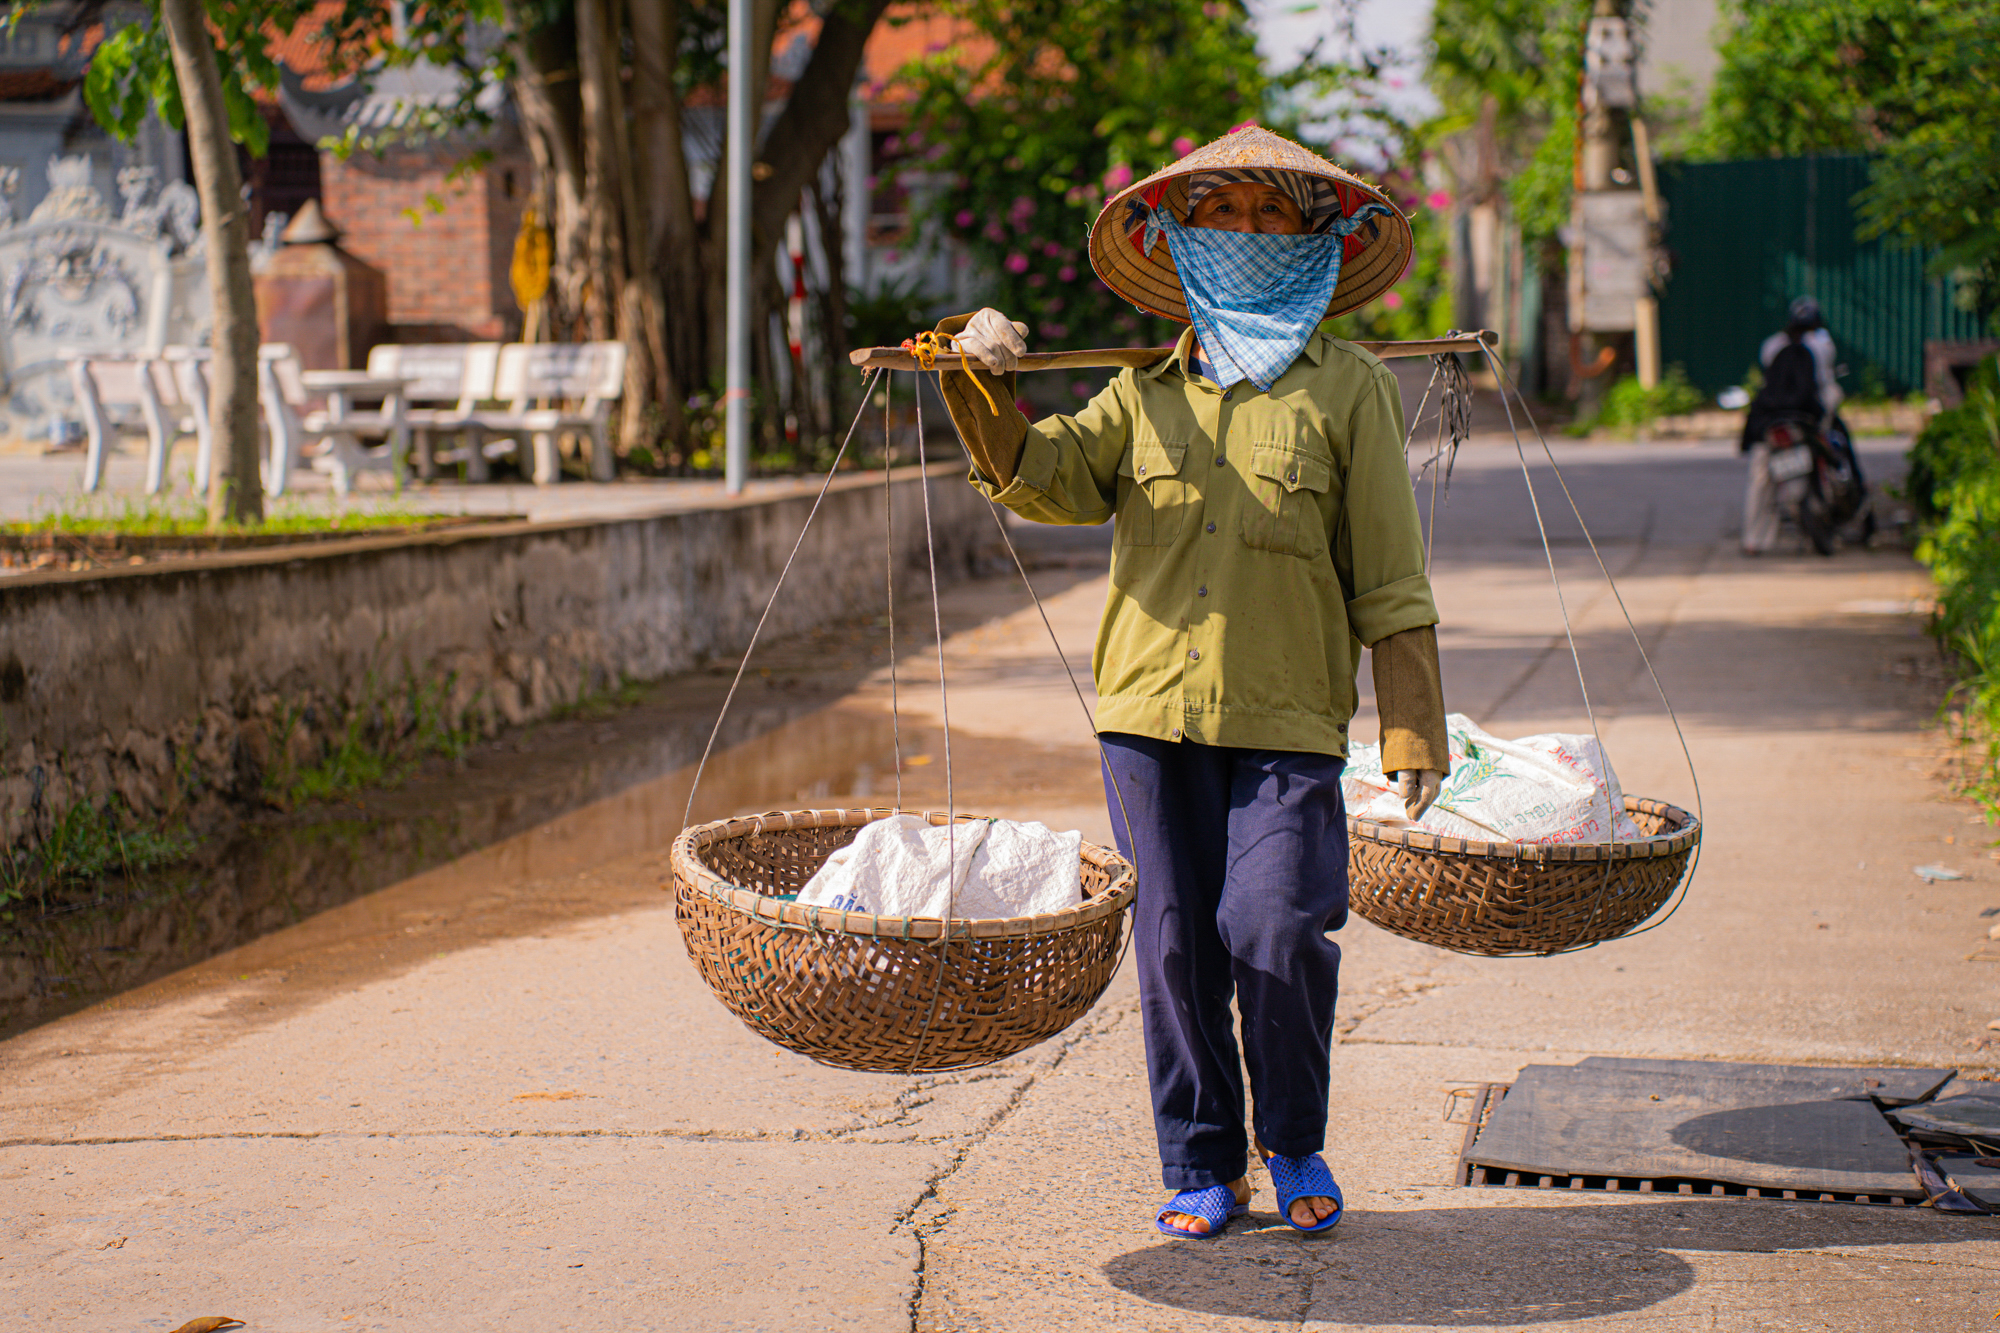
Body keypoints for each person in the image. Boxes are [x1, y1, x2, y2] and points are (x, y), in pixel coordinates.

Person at [933, 127, 1449, 1239]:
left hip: (1286, 717)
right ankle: (1204, 1159)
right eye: (1226, 213)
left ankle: (1293, 1136)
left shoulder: (1348, 390)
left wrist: (1411, 723)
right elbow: (1040, 478)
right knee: (1173, 948)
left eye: (1276, 216)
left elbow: (1391, 570)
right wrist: (978, 383)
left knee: (1273, 928)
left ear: (1316, 243)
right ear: (1180, 238)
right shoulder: (1136, 396)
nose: (1249, 233)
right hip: (1145, 718)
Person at [1740, 296, 1845, 554]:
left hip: (1769, 422)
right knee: (1835, 447)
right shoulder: (1821, 345)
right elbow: (1823, 386)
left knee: (1760, 479)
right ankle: (1844, 487)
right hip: (1803, 419)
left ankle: (1753, 540)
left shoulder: (1771, 345)